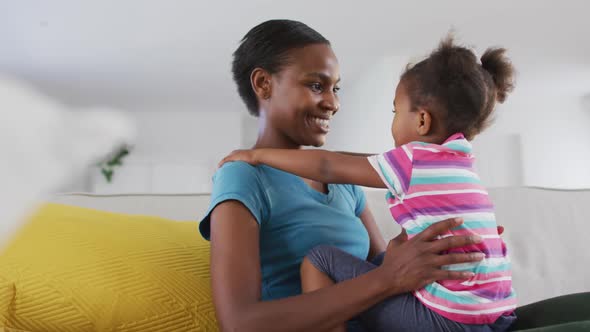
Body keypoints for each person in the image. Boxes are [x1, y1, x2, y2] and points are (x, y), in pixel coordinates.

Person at [200, 20, 491, 332]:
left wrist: (436, 250)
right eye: (316, 86)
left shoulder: (344, 182)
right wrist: (387, 277)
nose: (333, 103)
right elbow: (239, 323)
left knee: (548, 314)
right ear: (263, 84)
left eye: (335, 88)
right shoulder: (242, 177)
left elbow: (388, 271)